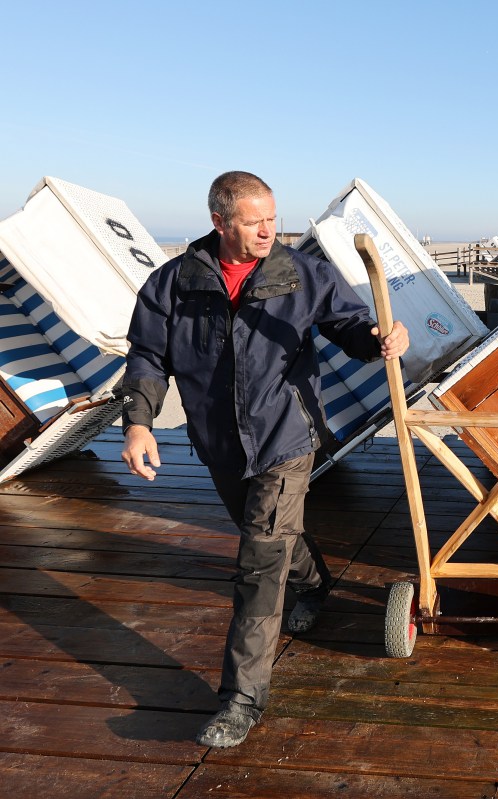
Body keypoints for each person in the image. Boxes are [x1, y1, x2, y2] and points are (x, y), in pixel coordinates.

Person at [120, 171, 408, 748]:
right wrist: (138, 424)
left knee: (257, 564)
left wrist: (380, 336)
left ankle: (241, 699)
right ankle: (318, 584)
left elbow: (349, 323)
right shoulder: (173, 284)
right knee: (271, 540)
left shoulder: (298, 273)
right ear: (219, 222)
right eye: (255, 222)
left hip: (284, 436)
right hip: (219, 441)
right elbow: (148, 356)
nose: (268, 231)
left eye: (272, 218)